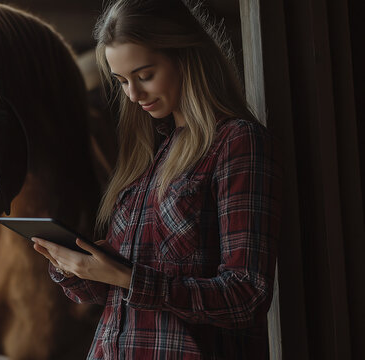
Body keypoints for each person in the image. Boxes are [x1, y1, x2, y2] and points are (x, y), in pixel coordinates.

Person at [32, 0, 282, 359]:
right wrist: (78, 267)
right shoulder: (149, 159)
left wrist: (127, 278)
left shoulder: (237, 143)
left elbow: (246, 296)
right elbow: (118, 295)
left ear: (185, 57)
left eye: (144, 75)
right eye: (122, 82)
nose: (133, 95)